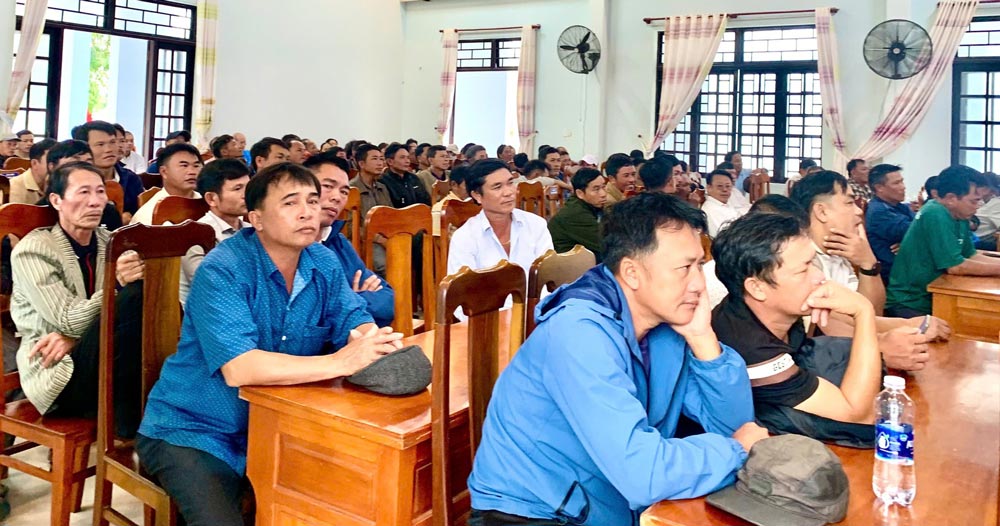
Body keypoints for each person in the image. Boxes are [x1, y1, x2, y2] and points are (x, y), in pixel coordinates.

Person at [468, 192, 767, 525]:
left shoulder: (664, 327)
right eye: (685, 268)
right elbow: (644, 475)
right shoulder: (579, 334)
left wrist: (703, 339)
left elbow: (736, 427)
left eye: (700, 265)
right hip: (533, 513)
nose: (698, 284)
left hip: (607, 506)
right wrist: (737, 450)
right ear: (632, 273)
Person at [136, 163, 404, 525]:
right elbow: (240, 367)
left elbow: (354, 320)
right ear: (256, 219)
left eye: (313, 200)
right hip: (195, 430)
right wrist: (342, 362)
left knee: (351, 498)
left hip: (278, 426)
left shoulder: (322, 261)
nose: (308, 211)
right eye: (290, 203)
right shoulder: (223, 268)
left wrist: (374, 344)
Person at [712, 212, 882, 439]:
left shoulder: (772, 309)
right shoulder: (752, 349)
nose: (819, 276)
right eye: (803, 270)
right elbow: (859, 415)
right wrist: (864, 312)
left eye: (813, 262)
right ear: (757, 288)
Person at [12, 162, 146, 436]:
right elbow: (68, 321)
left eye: (100, 192)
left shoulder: (110, 241)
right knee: (132, 295)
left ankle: (135, 426)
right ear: (57, 200)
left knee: (145, 297)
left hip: (100, 359)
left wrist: (74, 338)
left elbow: (74, 331)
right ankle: (131, 431)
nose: (95, 202)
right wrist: (115, 285)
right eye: (83, 192)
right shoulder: (34, 251)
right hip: (57, 372)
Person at [886, 165, 1000, 317]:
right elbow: (955, 266)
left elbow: (971, 254)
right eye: (974, 201)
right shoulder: (935, 212)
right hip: (910, 302)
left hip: (934, 295)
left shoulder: (959, 215)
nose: (977, 208)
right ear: (952, 198)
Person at [305, 153, 394, 327]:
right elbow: (310, 317)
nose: (337, 197)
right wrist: (354, 300)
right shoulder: (291, 245)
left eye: (344, 192)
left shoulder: (336, 240)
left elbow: (387, 301)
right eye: (328, 186)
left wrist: (351, 302)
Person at [790, 170, 885, 312]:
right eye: (849, 203)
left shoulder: (837, 252)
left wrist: (868, 262)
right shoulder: (802, 262)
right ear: (822, 212)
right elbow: (841, 326)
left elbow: (873, 313)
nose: (859, 211)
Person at [447, 159, 553, 280]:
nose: (508, 192)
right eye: (497, 187)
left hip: (537, 299)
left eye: (510, 183)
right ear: (477, 195)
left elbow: (547, 277)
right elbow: (462, 291)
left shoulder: (536, 224)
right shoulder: (465, 237)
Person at [179, 159, 251, 306]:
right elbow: (211, 286)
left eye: (248, 187)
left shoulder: (251, 230)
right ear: (212, 198)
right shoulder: (195, 235)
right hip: (211, 316)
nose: (246, 195)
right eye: (237, 189)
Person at [70, 120, 145, 218]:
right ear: (85, 149)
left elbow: (140, 217)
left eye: (112, 142)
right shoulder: (72, 181)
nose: (109, 149)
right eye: (100, 144)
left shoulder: (131, 179)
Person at [130, 143, 204, 225]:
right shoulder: (148, 216)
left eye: (196, 166)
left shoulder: (207, 203)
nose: (192, 172)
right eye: (184, 166)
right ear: (164, 172)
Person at [865, 164, 914, 283]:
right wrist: (911, 242)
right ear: (879, 188)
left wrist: (907, 243)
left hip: (907, 267)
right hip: (893, 276)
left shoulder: (900, 206)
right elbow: (920, 231)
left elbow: (918, 230)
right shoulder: (878, 211)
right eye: (896, 183)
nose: (903, 187)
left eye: (902, 181)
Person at [349, 144, 393, 275]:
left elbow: (391, 215)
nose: (380, 163)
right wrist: (379, 239)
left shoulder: (382, 188)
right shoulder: (352, 189)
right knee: (386, 264)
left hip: (386, 237)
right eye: (375, 159)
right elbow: (351, 227)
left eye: (381, 159)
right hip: (364, 240)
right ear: (362, 164)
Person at [547, 168, 607, 261]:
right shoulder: (575, 214)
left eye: (603, 187)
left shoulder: (590, 205)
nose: (603, 194)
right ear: (580, 193)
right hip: (567, 267)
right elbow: (607, 244)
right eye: (596, 189)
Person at [381, 143, 431, 208]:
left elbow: (426, 201)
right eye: (402, 157)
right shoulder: (383, 181)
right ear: (390, 161)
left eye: (408, 157)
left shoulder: (413, 178)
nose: (407, 161)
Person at [9, 138, 56, 204]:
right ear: (34, 163)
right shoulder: (15, 187)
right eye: (52, 162)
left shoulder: (60, 184)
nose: (57, 167)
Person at [701, 170, 747, 237]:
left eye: (728, 186)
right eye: (720, 186)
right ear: (709, 188)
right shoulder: (710, 209)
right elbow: (723, 237)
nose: (725, 189)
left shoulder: (725, 205)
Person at [974, 172, 1000, 249]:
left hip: (980, 241)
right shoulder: (982, 202)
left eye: (977, 186)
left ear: (988, 189)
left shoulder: (996, 203)